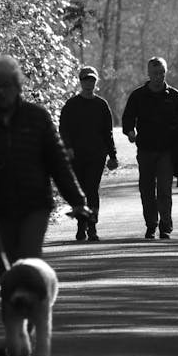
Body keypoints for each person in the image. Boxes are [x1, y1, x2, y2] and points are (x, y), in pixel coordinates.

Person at [0, 55, 89, 278]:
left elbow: (58, 163)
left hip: (34, 205)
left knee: (29, 263)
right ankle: (14, 312)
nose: (1, 92)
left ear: (18, 86)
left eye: (6, 85)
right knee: (7, 270)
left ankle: (36, 309)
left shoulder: (37, 117)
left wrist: (77, 200)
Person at [122, 57, 178, 239]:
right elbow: (128, 118)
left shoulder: (174, 96)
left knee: (165, 190)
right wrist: (130, 132)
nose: (158, 76)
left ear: (166, 73)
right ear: (148, 74)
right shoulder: (138, 95)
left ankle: (165, 226)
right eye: (155, 73)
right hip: (145, 150)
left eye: (162, 73)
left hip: (167, 151)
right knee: (147, 190)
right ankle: (151, 225)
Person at [59, 66, 119, 242]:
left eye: (92, 79)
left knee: (92, 190)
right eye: (85, 79)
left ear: (96, 81)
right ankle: (81, 225)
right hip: (76, 155)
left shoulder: (101, 105)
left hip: (96, 155)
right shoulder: (71, 105)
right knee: (80, 192)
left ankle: (91, 227)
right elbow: (64, 129)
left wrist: (113, 155)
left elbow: (107, 132)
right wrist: (68, 147)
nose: (89, 83)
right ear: (80, 81)